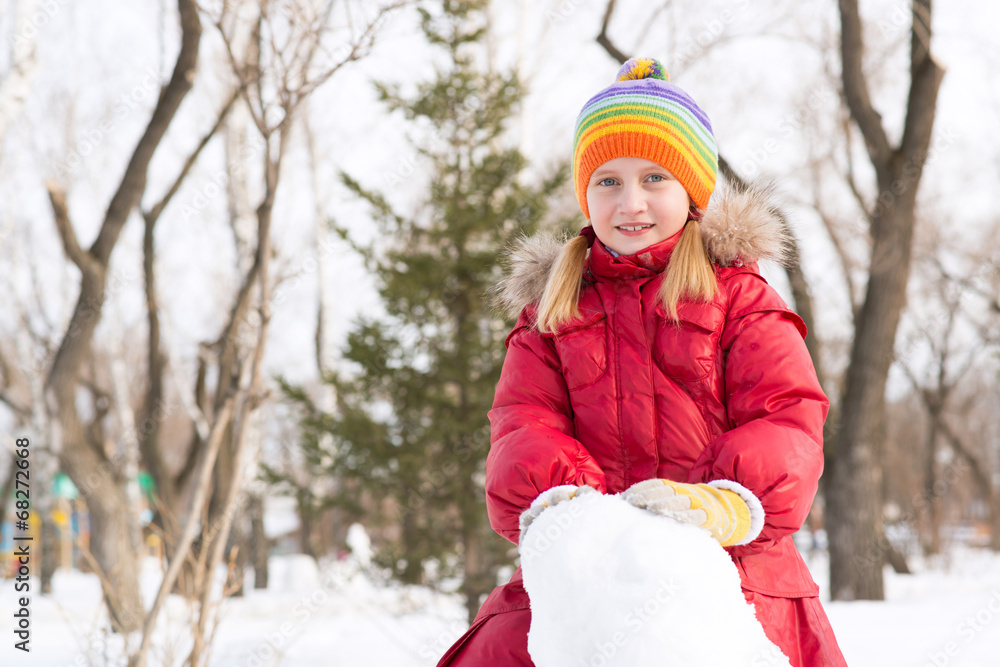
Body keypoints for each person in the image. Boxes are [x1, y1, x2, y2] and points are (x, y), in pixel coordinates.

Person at [436, 57, 847, 667]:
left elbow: (786, 416)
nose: (631, 202)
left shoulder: (740, 297)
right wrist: (566, 507)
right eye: (607, 181)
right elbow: (523, 423)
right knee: (511, 643)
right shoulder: (550, 314)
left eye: (655, 177)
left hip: (729, 558)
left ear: (693, 190)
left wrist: (730, 501)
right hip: (592, 563)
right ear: (585, 194)